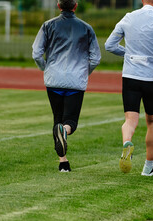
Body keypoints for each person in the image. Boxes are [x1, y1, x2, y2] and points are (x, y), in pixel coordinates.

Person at [105, 0, 153, 176]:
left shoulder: (128, 17)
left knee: (130, 120)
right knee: (152, 121)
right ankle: (148, 167)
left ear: (142, 0)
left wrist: (128, 55)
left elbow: (109, 45)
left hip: (130, 76)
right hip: (152, 78)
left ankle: (127, 142)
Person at [32, 0, 101, 172]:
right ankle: (65, 136)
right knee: (70, 122)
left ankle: (63, 162)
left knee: (58, 120)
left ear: (58, 6)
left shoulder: (48, 25)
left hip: (53, 79)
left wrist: (45, 68)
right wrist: (84, 72)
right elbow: (96, 58)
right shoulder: (86, 28)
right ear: (75, 6)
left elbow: (36, 53)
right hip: (75, 81)